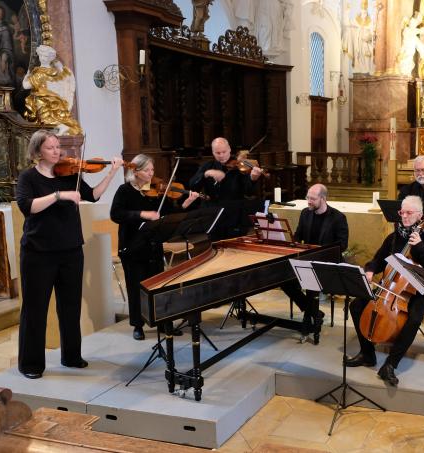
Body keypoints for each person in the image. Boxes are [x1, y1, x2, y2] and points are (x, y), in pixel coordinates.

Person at [15, 130, 123, 379]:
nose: (56, 151)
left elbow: (93, 196)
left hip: (71, 250)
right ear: (37, 151)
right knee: (35, 309)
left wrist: (112, 171)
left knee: (70, 307)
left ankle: (72, 356)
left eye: (57, 147)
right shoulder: (28, 178)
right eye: (50, 148)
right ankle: (30, 365)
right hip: (38, 253)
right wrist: (58, 195)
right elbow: (28, 207)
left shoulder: (69, 173)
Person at [346, 196, 424, 387]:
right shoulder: (394, 237)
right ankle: (367, 354)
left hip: (418, 290)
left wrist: (420, 247)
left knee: (414, 318)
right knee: (356, 305)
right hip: (390, 287)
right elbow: (378, 259)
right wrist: (371, 270)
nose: (404, 217)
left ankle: (390, 364)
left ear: (420, 216)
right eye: (402, 213)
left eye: (409, 213)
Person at [110, 154, 200, 340]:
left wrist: (186, 203)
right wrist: (142, 214)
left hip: (153, 246)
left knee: (159, 287)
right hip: (132, 247)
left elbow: (170, 214)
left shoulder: (157, 192)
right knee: (136, 287)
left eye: (152, 170)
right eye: (147, 170)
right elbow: (116, 214)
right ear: (135, 171)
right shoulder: (125, 190)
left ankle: (163, 322)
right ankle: (138, 325)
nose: (151, 174)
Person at [279, 184, 348, 341]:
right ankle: (315, 313)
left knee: (311, 280)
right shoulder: (305, 213)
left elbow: (342, 245)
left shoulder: (337, 217)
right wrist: (291, 244)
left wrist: (320, 253)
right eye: (307, 197)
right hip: (307, 261)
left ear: (323, 199)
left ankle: (308, 321)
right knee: (284, 280)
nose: (308, 201)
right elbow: (298, 235)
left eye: (312, 198)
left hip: (327, 264)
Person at [189, 137, 263, 240]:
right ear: (213, 152)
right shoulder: (208, 166)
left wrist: (253, 178)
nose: (221, 155)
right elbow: (192, 185)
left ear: (229, 149)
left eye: (224, 152)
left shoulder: (239, 167)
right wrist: (205, 174)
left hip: (234, 214)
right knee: (214, 245)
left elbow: (248, 191)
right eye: (217, 153)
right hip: (213, 214)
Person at [22, 45, 82, 136]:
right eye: (41, 55)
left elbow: (26, 86)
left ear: (50, 58)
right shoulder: (55, 72)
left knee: (46, 118)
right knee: (48, 118)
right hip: (52, 99)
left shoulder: (39, 74)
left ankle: (61, 127)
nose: (42, 58)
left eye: (45, 56)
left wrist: (25, 78)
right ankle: (60, 127)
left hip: (43, 100)